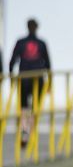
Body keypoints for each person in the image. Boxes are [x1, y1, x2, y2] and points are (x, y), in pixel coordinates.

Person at [9, 19, 52, 148]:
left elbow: (12, 62)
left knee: (23, 108)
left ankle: (24, 130)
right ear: (37, 28)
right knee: (34, 108)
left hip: (24, 79)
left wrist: (12, 78)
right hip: (37, 80)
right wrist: (49, 83)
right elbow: (48, 65)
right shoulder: (42, 43)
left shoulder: (20, 42)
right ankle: (29, 132)